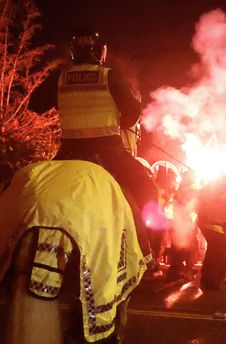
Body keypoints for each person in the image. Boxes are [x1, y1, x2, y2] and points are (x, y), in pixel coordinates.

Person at [54, 28, 157, 256]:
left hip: (68, 153)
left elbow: (35, 104)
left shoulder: (61, 77)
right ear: (100, 52)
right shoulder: (108, 76)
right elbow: (132, 110)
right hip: (109, 153)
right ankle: (145, 248)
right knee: (147, 188)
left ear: (73, 51)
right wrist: (120, 123)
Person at [197, 175, 226, 290]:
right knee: (218, 257)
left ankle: (209, 280)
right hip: (219, 231)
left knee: (211, 255)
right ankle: (213, 283)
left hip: (210, 229)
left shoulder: (212, 198)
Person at [167, 170, 200, 282]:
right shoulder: (187, 191)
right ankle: (186, 272)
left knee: (178, 250)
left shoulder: (181, 190)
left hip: (180, 225)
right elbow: (193, 207)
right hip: (183, 225)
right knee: (190, 249)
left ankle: (177, 272)